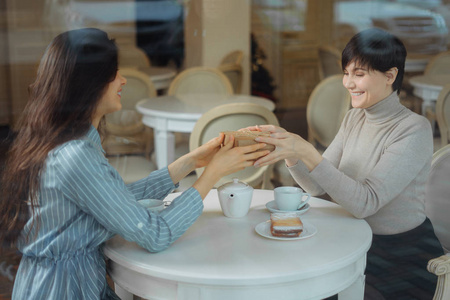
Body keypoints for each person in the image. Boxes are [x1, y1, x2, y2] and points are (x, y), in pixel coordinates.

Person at [0, 28, 269, 299]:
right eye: (114, 73)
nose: (123, 80)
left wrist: (190, 162)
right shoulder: (74, 155)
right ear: (89, 83)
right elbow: (156, 235)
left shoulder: (73, 141)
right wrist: (211, 175)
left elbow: (115, 202)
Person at [245, 28, 444, 299]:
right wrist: (291, 151)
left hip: (400, 255)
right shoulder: (354, 118)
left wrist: (307, 150)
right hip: (352, 240)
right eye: (346, 73)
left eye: (359, 74)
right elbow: (316, 187)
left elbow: (365, 203)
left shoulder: (413, 129)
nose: (348, 83)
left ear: (390, 76)